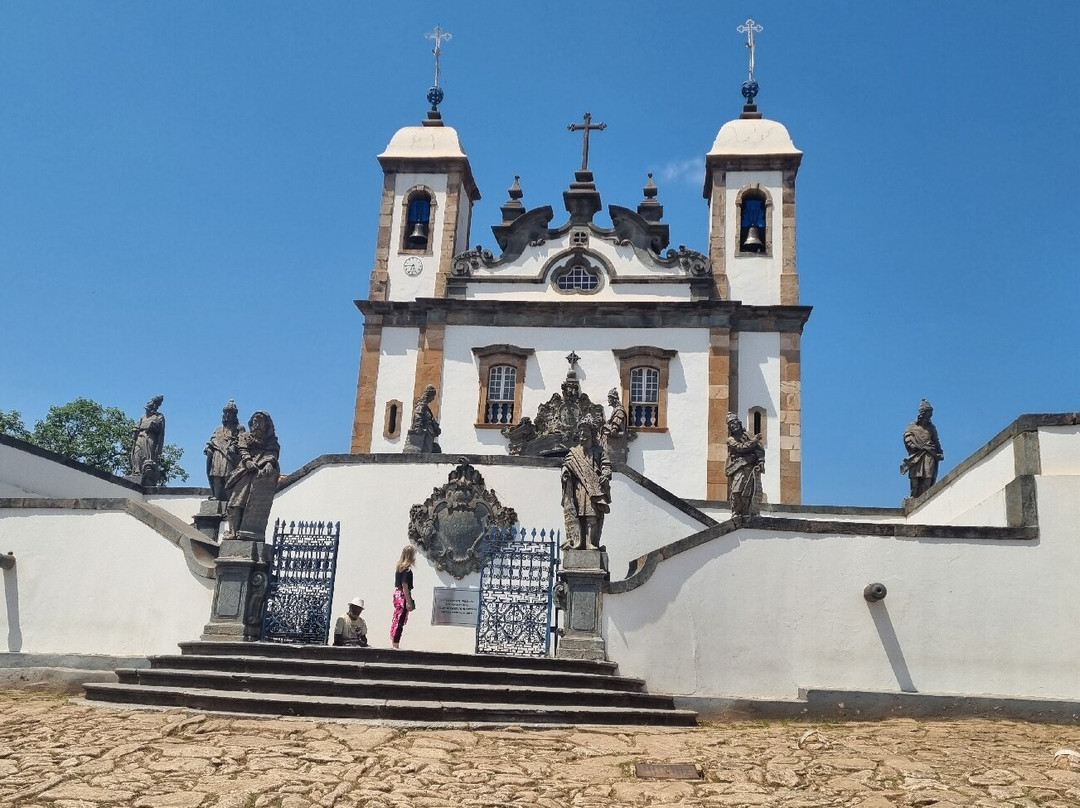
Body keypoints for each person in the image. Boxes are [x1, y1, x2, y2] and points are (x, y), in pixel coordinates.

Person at [224, 411, 280, 539]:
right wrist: (248, 461)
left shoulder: (272, 441)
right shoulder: (245, 436)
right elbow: (242, 449)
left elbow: (272, 454)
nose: (256, 424)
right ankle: (233, 532)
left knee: (251, 504)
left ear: (267, 425)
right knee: (234, 503)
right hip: (244, 471)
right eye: (254, 421)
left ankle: (248, 532)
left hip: (259, 476)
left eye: (260, 421)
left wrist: (269, 463)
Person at [560, 418, 612, 550]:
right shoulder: (573, 452)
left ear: (592, 433)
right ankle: (577, 541)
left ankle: (590, 542)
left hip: (594, 488)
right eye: (581, 431)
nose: (582, 434)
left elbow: (606, 466)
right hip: (578, 488)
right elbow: (566, 465)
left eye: (585, 431)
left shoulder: (599, 451)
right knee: (578, 514)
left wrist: (605, 475)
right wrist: (565, 473)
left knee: (592, 515)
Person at [900, 399, 944, 498]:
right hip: (916, 455)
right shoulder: (911, 426)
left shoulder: (931, 427)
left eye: (931, 413)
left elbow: (936, 441)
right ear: (923, 413)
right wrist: (912, 445)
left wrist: (940, 451)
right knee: (915, 478)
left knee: (928, 477)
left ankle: (926, 497)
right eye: (928, 413)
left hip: (929, 454)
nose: (930, 416)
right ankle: (914, 497)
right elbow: (907, 436)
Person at [204, 400, 244, 501]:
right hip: (218, 454)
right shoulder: (218, 429)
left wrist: (234, 446)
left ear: (234, 414)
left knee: (228, 477)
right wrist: (209, 447)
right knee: (216, 476)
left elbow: (242, 440)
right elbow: (213, 439)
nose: (227, 415)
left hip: (230, 456)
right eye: (225, 412)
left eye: (229, 413)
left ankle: (229, 497)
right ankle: (216, 496)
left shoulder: (239, 428)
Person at [726, 413, 764, 517]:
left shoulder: (749, 435)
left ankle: (749, 512)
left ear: (739, 422)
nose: (733, 425)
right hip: (738, 467)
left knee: (750, 490)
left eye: (734, 422)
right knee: (736, 490)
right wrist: (754, 441)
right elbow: (741, 448)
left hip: (751, 467)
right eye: (730, 425)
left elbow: (759, 449)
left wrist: (761, 461)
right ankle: (736, 511)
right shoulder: (730, 439)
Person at [130, 395, 166, 485]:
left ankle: (147, 473)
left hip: (150, 437)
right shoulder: (143, 417)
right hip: (140, 436)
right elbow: (137, 425)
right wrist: (135, 431)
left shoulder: (159, 416)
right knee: (137, 453)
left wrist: (154, 425)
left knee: (148, 456)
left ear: (154, 407)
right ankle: (137, 471)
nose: (147, 409)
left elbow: (160, 430)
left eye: (149, 407)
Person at [391, 545, 417, 648]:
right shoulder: (407, 570)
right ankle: (396, 643)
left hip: (397, 594)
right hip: (403, 595)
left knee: (397, 618)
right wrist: (408, 601)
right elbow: (405, 585)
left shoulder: (399, 569)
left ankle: (395, 642)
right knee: (400, 619)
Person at [403, 385, 441, 453]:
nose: (433, 398)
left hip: (428, 432)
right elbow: (418, 415)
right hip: (425, 432)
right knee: (426, 450)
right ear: (429, 396)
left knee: (428, 449)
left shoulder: (426, 407)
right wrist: (418, 427)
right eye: (433, 396)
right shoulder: (422, 405)